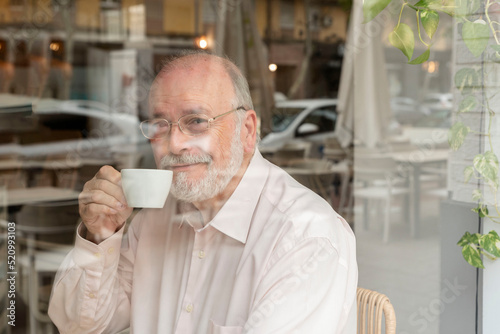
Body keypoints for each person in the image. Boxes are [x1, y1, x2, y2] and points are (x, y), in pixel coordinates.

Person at [48, 51, 357, 334]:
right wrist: (100, 236)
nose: (174, 144)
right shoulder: (157, 218)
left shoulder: (304, 237)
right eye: (160, 124)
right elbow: (81, 327)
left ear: (247, 130)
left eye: (196, 121)